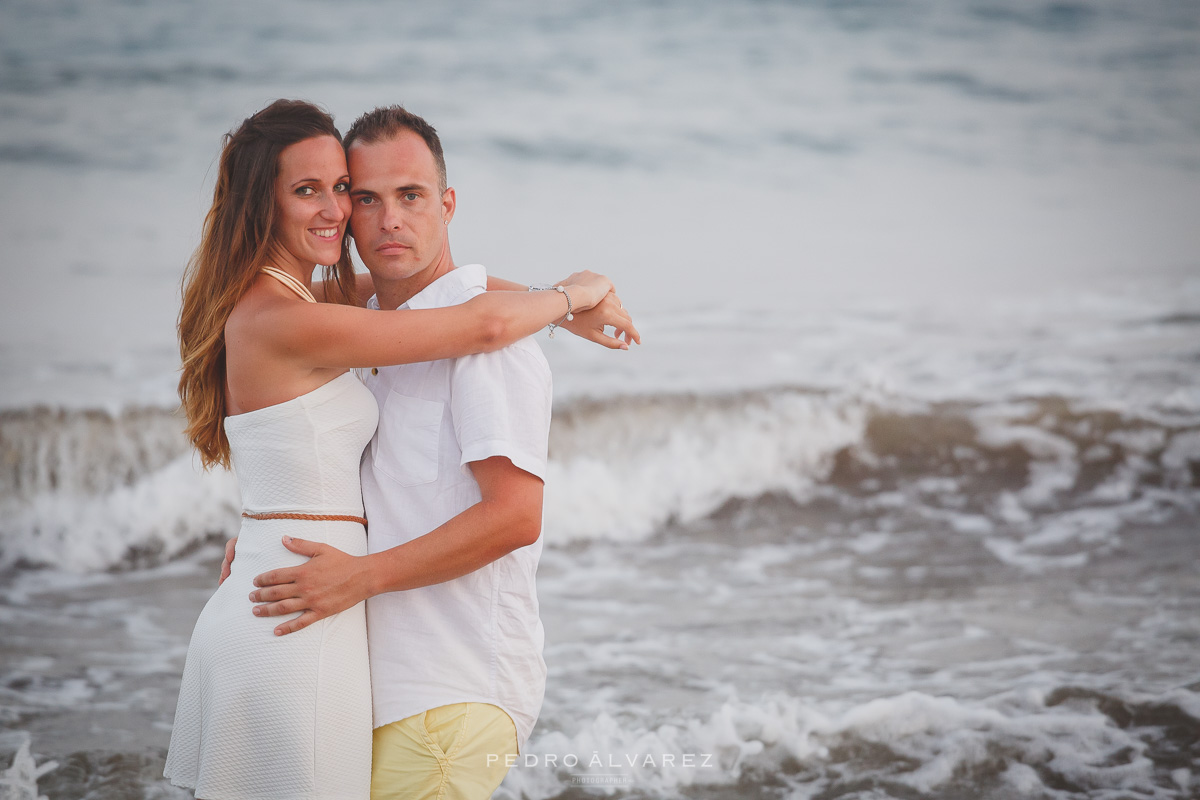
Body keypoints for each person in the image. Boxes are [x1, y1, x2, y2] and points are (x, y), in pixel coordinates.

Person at [163, 99, 637, 800]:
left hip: (434, 684)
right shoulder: (304, 319)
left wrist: (555, 298)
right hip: (307, 629)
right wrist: (573, 294)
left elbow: (514, 510)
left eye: (405, 196)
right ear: (263, 205)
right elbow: (470, 315)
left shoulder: (365, 318)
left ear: (447, 204)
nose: (371, 216)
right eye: (353, 196)